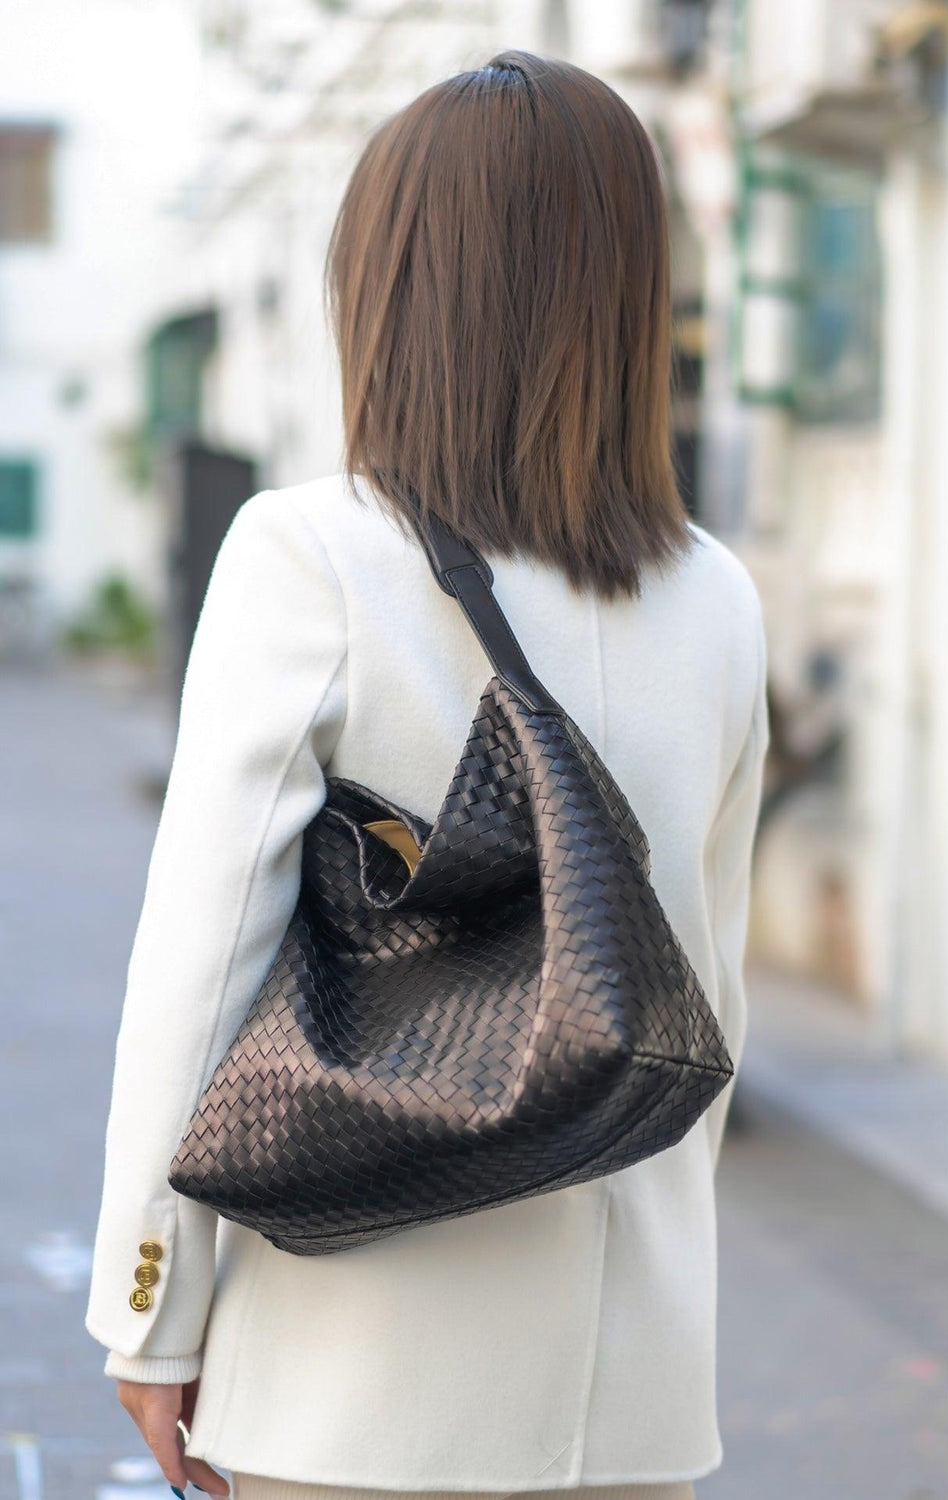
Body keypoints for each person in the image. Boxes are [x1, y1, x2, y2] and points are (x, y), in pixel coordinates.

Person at [85, 50, 768, 1500]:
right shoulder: (716, 596)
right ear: (630, 291)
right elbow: (703, 993)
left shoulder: (311, 556)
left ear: (393, 286)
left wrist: (151, 1306)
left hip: (356, 1386)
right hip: (632, 1394)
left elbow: (203, 963)